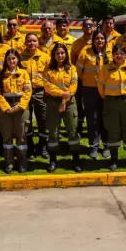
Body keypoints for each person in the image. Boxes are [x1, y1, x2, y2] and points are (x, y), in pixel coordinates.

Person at [98, 45, 126, 171]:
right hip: (111, 103)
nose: (119, 55)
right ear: (113, 55)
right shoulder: (105, 69)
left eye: (122, 53)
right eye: (116, 53)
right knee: (113, 131)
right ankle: (113, 160)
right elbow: (101, 87)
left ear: (125, 55)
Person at [42, 43, 80, 173]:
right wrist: (62, 94)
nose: (60, 56)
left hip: (69, 102)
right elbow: (47, 86)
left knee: (72, 131)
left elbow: (74, 86)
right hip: (53, 102)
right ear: (53, 55)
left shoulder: (72, 68)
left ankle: (76, 161)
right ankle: (53, 161)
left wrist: (64, 99)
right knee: (53, 132)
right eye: (57, 53)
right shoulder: (48, 69)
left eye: (62, 53)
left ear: (66, 54)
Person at [0, 49, 33, 173]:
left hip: (20, 107)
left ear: (18, 60)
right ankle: (9, 162)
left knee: (21, 136)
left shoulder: (24, 73)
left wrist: (20, 106)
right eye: (9, 58)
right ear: (6, 60)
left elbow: (28, 91)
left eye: (14, 58)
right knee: (7, 136)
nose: (12, 61)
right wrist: (6, 108)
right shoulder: (0, 74)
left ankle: (22, 162)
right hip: (5, 108)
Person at [76, 30, 109, 159]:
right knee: (92, 119)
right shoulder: (85, 53)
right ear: (93, 40)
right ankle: (93, 147)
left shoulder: (110, 54)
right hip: (90, 90)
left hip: (107, 90)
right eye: (97, 38)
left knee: (105, 118)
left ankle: (106, 146)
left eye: (102, 39)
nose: (100, 41)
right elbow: (78, 71)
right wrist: (86, 80)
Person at [21, 33, 50, 159]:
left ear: (38, 43)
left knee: (43, 120)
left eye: (34, 41)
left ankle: (43, 146)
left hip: (41, 92)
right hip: (25, 93)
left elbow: (50, 75)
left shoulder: (45, 57)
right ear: (25, 43)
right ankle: (30, 147)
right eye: (29, 41)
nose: (32, 43)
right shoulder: (20, 57)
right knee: (26, 121)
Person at [71, 18, 96, 138]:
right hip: (79, 78)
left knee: (92, 104)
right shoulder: (76, 44)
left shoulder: (98, 41)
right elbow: (72, 62)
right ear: (82, 28)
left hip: (94, 79)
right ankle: (79, 126)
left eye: (90, 25)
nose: (88, 27)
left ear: (94, 27)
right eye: (86, 25)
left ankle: (94, 127)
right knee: (79, 103)